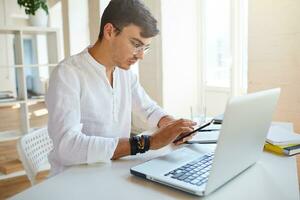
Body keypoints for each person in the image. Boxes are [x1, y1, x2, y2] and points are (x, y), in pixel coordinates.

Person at [46, 0, 196, 176]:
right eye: (136, 44)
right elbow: (67, 147)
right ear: (109, 31)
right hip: (73, 180)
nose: (141, 56)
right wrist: (147, 142)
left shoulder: (124, 72)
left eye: (145, 48)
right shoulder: (67, 74)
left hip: (112, 172)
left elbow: (148, 109)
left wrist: (171, 125)